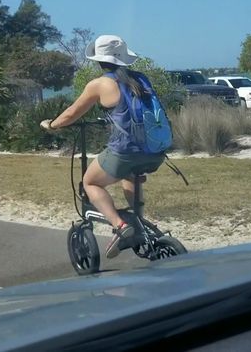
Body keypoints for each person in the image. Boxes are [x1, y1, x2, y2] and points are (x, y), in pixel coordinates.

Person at [40, 35, 166, 259]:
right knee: (129, 175)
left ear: (99, 60)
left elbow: (71, 114)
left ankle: (120, 225)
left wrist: (52, 125)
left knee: (90, 182)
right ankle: (138, 220)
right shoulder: (141, 79)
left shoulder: (100, 84)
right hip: (155, 151)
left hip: (125, 152)